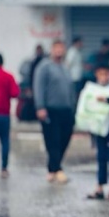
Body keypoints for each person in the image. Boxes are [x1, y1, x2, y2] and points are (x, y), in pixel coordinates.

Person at [33, 40, 75, 184]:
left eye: (61, 48)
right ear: (51, 49)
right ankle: (57, 169)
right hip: (50, 110)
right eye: (56, 48)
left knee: (65, 138)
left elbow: (70, 89)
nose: (59, 51)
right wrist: (40, 106)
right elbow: (38, 86)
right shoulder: (44, 66)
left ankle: (52, 168)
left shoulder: (65, 67)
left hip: (66, 110)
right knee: (53, 140)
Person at [87, 65, 109, 201]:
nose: (104, 77)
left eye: (107, 74)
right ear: (97, 74)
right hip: (99, 129)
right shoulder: (93, 90)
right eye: (101, 74)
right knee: (101, 157)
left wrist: (107, 100)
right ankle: (100, 187)